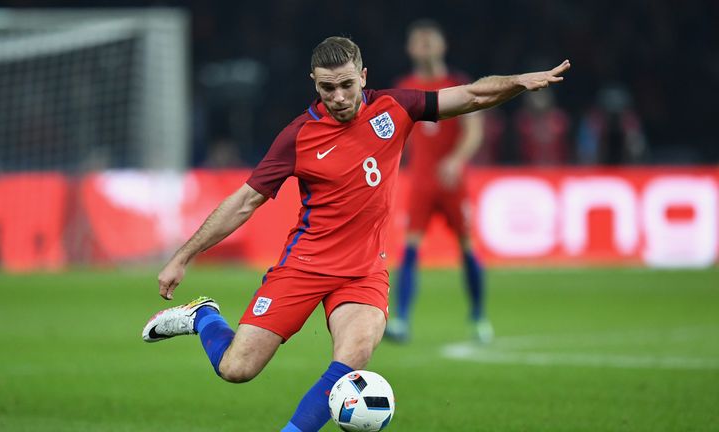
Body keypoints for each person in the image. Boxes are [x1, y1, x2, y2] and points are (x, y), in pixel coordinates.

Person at [142, 36, 569, 432]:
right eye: (328, 88)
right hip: (304, 266)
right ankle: (204, 316)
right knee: (237, 369)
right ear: (315, 83)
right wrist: (183, 256)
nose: (339, 98)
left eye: (347, 85)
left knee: (353, 356)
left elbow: (474, 95)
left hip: (363, 272)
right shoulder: (298, 136)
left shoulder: (396, 107)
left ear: (363, 76)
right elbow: (243, 202)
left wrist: (517, 82)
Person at [385, 19, 491, 344]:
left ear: (442, 45)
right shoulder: (404, 86)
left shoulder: (458, 84)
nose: (425, 46)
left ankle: (478, 317)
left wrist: (456, 159)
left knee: (466, 246)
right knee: (410, 247)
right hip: (419, 182)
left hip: (451, 182)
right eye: (419, 41)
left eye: (431, 40)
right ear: (410, 48)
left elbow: (475, 130)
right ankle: (401, 319)